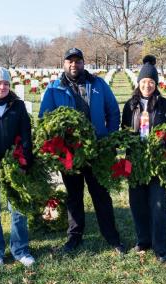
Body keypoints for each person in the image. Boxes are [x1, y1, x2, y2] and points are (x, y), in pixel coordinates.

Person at [39, 48, 124, 254]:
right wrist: (59, 145)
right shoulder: (53, 88)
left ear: (84, 63)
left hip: (96, 150)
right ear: (64, 64)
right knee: (74, 195)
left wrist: (109, 139)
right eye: (70, 61)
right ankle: (74, 236)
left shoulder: (98, 84)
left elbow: (113, 111)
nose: (73, 65)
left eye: (77, 61)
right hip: (70, 154)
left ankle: (111, 237)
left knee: (101, 194)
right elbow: (44, 119)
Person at [121, 55, 166, 262]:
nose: (147, 85)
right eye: (144, 81)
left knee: (158, 205)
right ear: (138, 83)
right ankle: (143, 240)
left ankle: (160, 246)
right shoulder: (130, 106)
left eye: (151, 82)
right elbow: (125, 131)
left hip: (157, 162)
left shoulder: (165, 105)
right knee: (137, 203)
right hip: (135, 161)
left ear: (156, 84)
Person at [0, 67, 35, 268]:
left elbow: (26, 135)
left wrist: (24, 162)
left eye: (5, 83)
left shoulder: (17, 106)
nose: (1, 87)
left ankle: (20, 249)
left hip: (14, 168)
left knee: (18, 210)